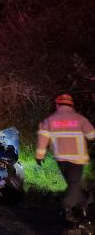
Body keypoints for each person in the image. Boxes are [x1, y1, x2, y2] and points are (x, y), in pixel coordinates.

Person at [35, 93, 95, 221]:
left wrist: (39, 157)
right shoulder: (80, 119)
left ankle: (80, 205)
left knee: (72, 185)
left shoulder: (50, 120)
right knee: (74, 184)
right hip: (78, 159)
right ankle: (69, 206)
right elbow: (92, 135)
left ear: (57, 105)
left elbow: (42, 141)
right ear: (72, 105)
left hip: (61, 159)